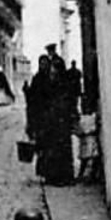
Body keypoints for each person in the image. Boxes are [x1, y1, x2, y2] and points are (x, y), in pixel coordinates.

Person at [31, 55, 75, 185]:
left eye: (54, 70)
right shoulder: (44, 80)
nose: (52, 72)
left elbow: (67, 102)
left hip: (59, 122)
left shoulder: (62, 84)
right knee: (50, 149)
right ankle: (51, 175)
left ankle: (62, 176)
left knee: (60, 151)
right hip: (49, 122)